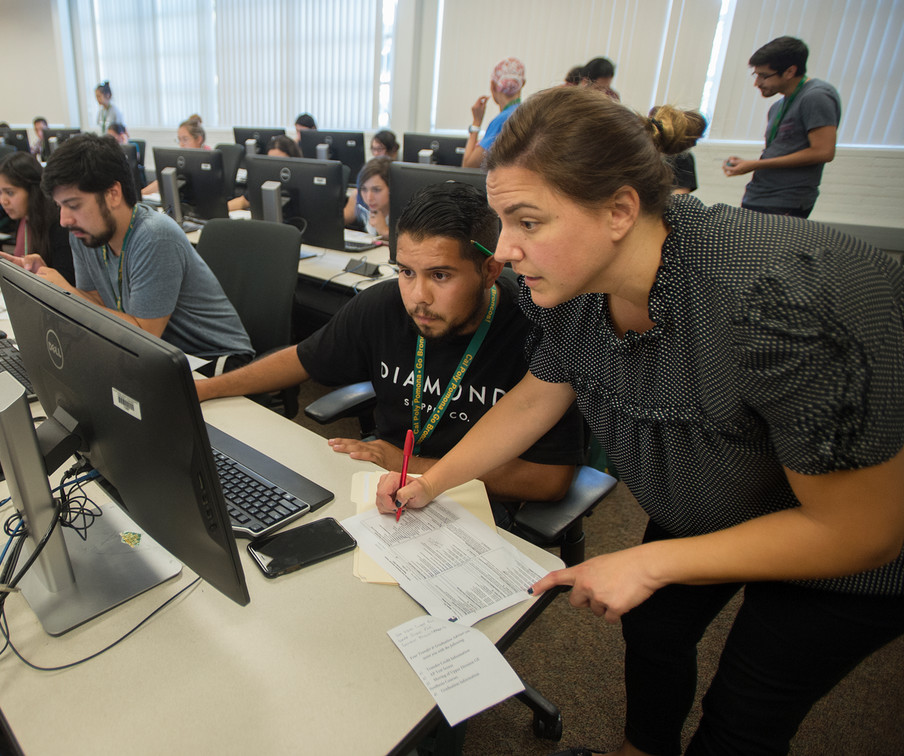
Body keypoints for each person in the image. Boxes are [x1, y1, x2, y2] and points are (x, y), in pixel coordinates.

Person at [379, 86, 904, 756]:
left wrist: (655, 561)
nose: (503, 250)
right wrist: (435, 479)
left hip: (840, 549)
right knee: (655, 634)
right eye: (500, 222)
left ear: (621, 210)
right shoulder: (566, 287)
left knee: (748, 703)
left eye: (528, 222)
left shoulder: (776, 297)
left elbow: (861, 530)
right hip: (710, 501)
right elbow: (541, 394)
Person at [198, 181, 583, 511]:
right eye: (406, 271)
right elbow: (303, 358)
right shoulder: (384, 304)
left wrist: (411, 463)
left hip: (475, 499)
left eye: (440, 275)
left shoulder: (538, 325)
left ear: (489, 271)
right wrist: (206, 389)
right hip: (383, 478)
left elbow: (548, 480)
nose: (418, 297)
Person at [6, 133, 252, 366]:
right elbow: (96, 303)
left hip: (214, 359)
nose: (64, 220)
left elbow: (144, 337)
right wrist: (44, 286)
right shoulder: (86, 234)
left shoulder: (154, 236)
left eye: (73, 205)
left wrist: (65, 292)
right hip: (160, 356)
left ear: (113, 194)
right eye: (60, 206)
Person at [723, 36, 840, 219]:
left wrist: (755, 165)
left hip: (786, 200)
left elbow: (823, 151)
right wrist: (748, 163)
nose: (757, 83)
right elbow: (783, 150)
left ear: (790, 71)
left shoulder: (816, 97)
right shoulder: (778, 106)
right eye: (756, 75)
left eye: (764, 75)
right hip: (760, 195)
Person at [0, 152, 76, 295]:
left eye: (10, 193)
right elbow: (23, 258)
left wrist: (1, 279)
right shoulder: (27, 218)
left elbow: (64, 282)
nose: (3, 201)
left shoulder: (59, 226)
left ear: (33, 191)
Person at [462, 57, 525, 168]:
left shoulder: (503, 120)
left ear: (492, 85)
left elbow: (468, 166)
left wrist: (476, 122)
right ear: (523, 83)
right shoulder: (527, 113)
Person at [227, 135, 300, 212]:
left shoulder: (302, 177)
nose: (276, 166)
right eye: (271, 161)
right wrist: (218, 211)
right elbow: (243, 201)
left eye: (280, 162)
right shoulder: (265, 176)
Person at [141, 115, 208, 195]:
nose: (181, 144)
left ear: (199, 139)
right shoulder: (182, 160)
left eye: (185, 139)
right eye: (179, 140)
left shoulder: (208, 160)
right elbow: (161, 181)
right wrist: (141, 194)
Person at [649, 105, 707, 194]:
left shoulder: (684, 158)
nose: (694, 144)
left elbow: (680, 193)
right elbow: (680, 197)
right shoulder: (684, 157)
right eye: (694, 139)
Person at [348, 156, 391, 236]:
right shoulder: (360, 203)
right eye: (364, 189)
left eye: (376, 190)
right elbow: (339, 220)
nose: (369, 198)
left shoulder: (406, 214)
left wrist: (385, 231)